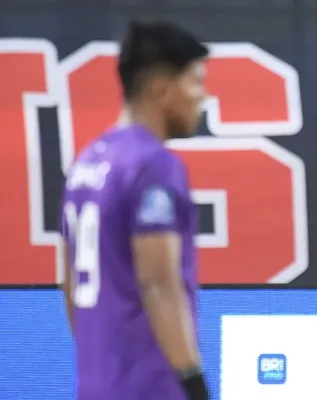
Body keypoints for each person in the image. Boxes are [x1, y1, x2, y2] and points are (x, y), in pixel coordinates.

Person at [59, 20, 210, 400]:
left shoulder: (86, 162)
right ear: (161, 87)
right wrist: (193, 384)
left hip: (96, 384)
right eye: (195, 82)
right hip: (150, 385)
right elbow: (158, 284)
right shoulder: (152, 164)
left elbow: (68, 281)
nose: (202, 97)